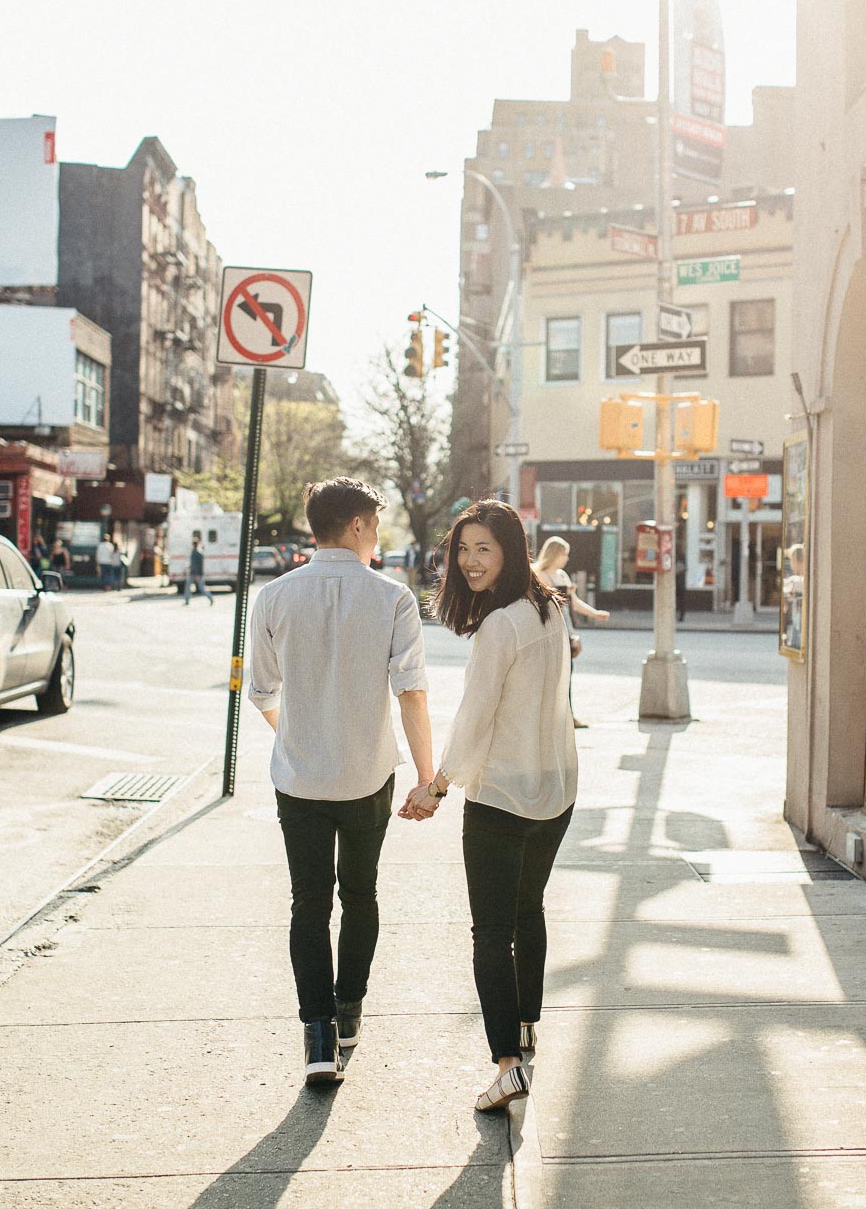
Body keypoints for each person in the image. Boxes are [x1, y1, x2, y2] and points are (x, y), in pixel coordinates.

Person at [248, 477, 434, 1086]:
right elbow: (411, 693)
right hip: (367, 774)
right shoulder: (393, 598)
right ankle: (349, 1009)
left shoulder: (273, 597)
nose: (377, 537)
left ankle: (318, 1034)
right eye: (375, 525)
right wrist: (427, 777)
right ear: (356, 525)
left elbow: (262, 691)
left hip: (298, 776)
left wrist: (293, 734)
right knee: (360, 894)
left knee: (308, 902)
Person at [406, 500, 577, 1113]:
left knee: (491, 935)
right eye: (463, 548)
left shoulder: (501, 624)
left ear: (511, 550)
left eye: (485, 548)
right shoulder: (550, 607)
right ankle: (525, 1026)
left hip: (503, 797)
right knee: (528, 910)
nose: (471, 561)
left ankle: (507, 1064)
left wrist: (438, 784)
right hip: (555, 790)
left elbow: (476, 718)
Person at [532, 536, 609, 730]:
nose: (566, 558)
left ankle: (567, 716)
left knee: (566, 673)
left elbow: (573, 603)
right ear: (555, 554)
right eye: (564, 554)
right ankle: (546, 717)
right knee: (548, 675)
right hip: (547, 629)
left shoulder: (563, 576)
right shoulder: (538, 574)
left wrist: (595, 614)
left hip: (565, 627)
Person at [184, 532, 213, 605]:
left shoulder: (196, 553)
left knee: (200, 587)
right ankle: (187, 599)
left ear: (194, 545)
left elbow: (198, 565)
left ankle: (209, 597)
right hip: (194, 572)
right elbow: (195, 564)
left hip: (195, 573)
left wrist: (197, 574)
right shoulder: (196, 552)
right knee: (191, 586)